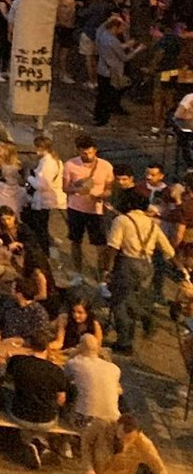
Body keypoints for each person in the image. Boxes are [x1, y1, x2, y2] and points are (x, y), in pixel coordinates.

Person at [103, 198, 171, 351]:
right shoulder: (153, 224)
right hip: (146, 265)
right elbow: (168, 250)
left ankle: (124, 341)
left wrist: (107, 269)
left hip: (127, 264)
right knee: (131, 297)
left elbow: (113, 246)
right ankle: (145, 318)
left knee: (118, 302)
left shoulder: (122, 220)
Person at [4, 326, 68, 467]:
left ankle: (31, 442)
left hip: (19, 414)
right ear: (47, 347)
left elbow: (7, 379)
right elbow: (61, 401)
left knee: (6, 391)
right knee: (48, 411)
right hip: (46, 420)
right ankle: (39, 442)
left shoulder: (18, 361)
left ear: (30, 345)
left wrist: (9, 360)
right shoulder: (56, 371)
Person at [62, 134, 115, 279]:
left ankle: (101, 275)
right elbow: (65, 188)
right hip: (75, 208)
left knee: (100, 245)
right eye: (84, 153)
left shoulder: (106, 166)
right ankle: (77, 272)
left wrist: (101, 195)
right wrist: (78, 190)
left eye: (91, 152)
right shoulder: (70, 165)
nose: (88, 155)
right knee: (75, 241)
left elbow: (109, 189)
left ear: (95, 150)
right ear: (79, 151)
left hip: (96, 210)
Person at [63, 334, 122, 439]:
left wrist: (73, 355)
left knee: (64, 406)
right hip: (112, 421)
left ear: (80, 347)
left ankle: (65, 442)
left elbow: (64, 380)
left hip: (86, 421)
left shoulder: (74, 363)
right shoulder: (114, 368)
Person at [23, 133, 65, 258]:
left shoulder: (48, 163)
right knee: (40, 226)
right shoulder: (53, 161)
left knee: (40, 228)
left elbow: (42, 185)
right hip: (44, 199)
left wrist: (29, 178)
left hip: (44, 200)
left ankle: (43, 252)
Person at [89, 415, 166, 474]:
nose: (123, 443)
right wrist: (88, 468)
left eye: (128, 439)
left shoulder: (144, 445)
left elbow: (160, 469)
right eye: (120, 438)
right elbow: (86, 448)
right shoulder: (103, 431)